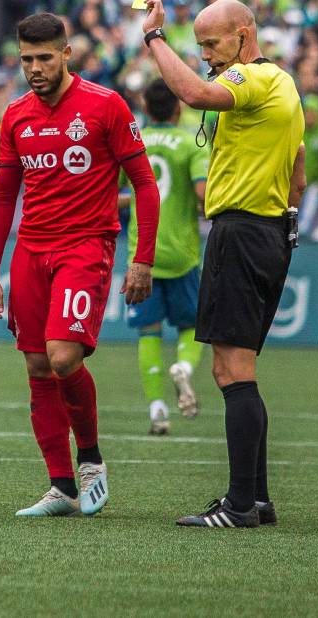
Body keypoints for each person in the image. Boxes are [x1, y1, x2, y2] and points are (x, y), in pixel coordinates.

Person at [0, 13, 160, 518]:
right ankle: (60, 486)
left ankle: (91, 460)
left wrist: (142, 259)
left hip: (86, 246)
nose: (34, 68)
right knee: (37, 365)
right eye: (25, 60)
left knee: (63, 358)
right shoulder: (15, 115)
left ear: (66, 54)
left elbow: (145, 185)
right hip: (31, 251)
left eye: (43, 58)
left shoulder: (105, 106)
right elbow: (2, 197)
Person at [143, 0, 305, 528]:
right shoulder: (286, 87)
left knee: (230, 369)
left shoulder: (253, 78)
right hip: (270, 229)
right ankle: (256, 501)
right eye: (201, 46)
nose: (208, 55)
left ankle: (238, 505)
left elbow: (192, 92)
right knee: (241, 370)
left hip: (241, 231)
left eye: (212, 44)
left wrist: (155, 39)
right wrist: (288, 215)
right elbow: (298, 164)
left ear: (244, 34)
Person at [119, 80, 209, 435]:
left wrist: (137, 200)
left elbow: (113, 194)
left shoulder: (134, 140)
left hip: (143, 256)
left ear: (145, 106)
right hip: (182, 253)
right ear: (178, 107)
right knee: (191, 326)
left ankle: (157, 410)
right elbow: (203, 195)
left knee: (148, 333)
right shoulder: (191, 142)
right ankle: (184, 368)